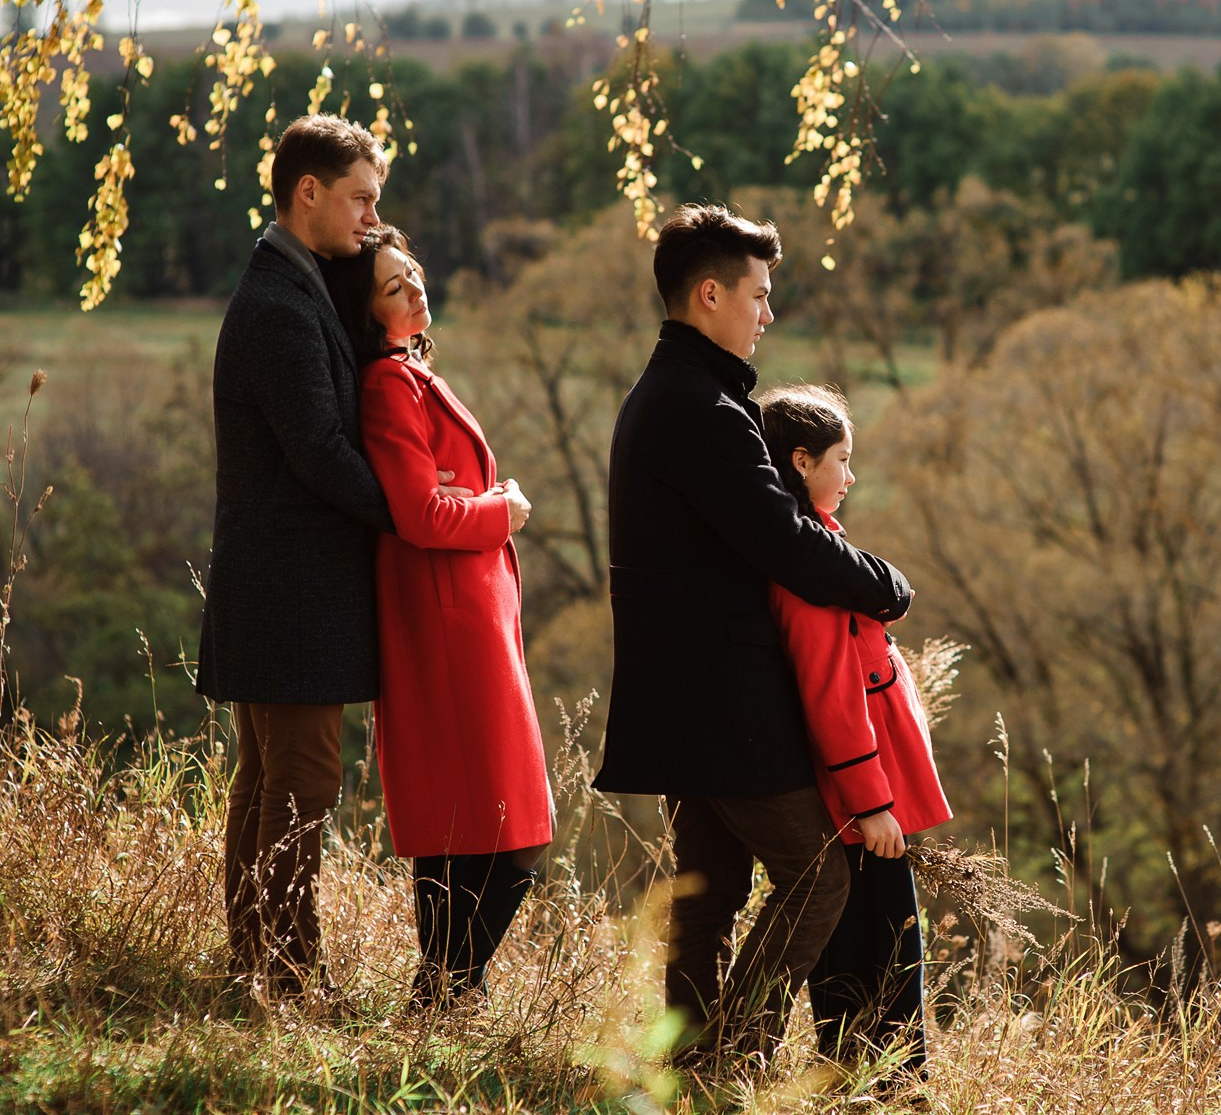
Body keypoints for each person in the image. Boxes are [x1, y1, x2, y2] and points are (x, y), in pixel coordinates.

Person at [592, 204, 915, 1068]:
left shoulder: (673, 394)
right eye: (759, 294)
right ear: (709, 294)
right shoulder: (700, 407)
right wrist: (885, 585)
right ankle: (733, 1050)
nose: (768, 313)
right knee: (818, 879)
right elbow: (788, 542)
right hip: (724, 699)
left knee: (709, 890)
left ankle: (692, 1061)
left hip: (684, 694)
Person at [195, 115, 489, 998]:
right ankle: (285, 970)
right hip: (291, 590)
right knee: (305, 777)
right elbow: (321, 450)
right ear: (307, 191)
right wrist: (413, 509)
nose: (371, 216)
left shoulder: (296, 286)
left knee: (268, 775)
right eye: (361, 197)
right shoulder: (280, 307)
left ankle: (256, 958)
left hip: (281, 583)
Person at [323, 226, 554, 1007]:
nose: (416, 288)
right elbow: (420, 511)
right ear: (367, 311)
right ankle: (449, 989)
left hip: (469, 616)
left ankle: (449, 994)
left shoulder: (414, 374)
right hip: (447, 621)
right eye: (394, 286)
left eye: (414, 273)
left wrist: (474, 502)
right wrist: (501, 509)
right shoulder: (389, 384)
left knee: (475, 832)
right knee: (507, 835)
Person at [761, 385, 951, 1078]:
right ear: (802, 461)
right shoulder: (809, 569)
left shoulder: (823, 552)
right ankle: (882, 1087)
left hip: (865, 803)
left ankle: (875, 1083)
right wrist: (871, 802)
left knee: (883, 950)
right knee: (879, 956)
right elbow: (831, 696)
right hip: (856, 811)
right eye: (842, 460)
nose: (851, 475)